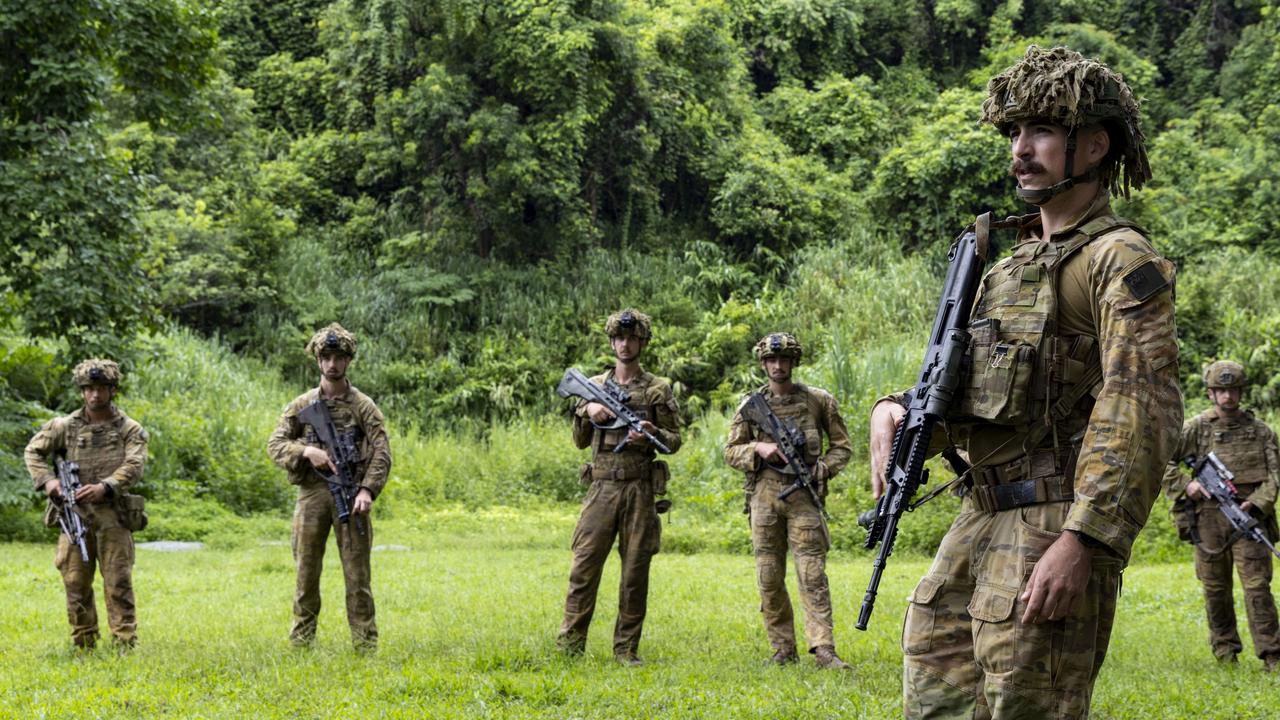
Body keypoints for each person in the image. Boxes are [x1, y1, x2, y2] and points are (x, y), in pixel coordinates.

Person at [867, 45, 1183, 718]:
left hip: (1052, 523)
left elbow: (1141, 407)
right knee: (935, 704)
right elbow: (978, 389)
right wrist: (897, 411)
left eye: (1040, 130)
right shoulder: (1009, 265)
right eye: (1013, 132)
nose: (1020, 148)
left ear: (1094, 145)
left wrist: (1085, 540)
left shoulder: (1117, 260)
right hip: (977, 515)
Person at [556, 309, 682, 666]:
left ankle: (626, 650)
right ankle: (570, 646)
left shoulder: (658, 388)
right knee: (584, 568)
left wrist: (651, 432)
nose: (625, 344)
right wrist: (588, 410)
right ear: (612, 342)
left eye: (632, 338)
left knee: (634, 573)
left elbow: (674, 441)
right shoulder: (594, 385)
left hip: (640, 490)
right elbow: (580, 441)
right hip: (601, 488)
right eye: (619, 338)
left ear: (643, 342)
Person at [724, 333, 853, 669]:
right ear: (763, 363)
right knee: (769, 575)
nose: (777, 366)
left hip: (804, 496)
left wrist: (821, 469)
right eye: (770, 360)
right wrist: (757, 449)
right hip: (764, 497)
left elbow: (842, 447)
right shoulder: (750, 406)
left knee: (812, 574)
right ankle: (782, 648)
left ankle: (823, 648)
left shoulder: (818, 401)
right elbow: (730, 451)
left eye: (784, 360)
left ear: (794, 362)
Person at [267, 323, 391, 652]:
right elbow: (276, 444)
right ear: (317, 360)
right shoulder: (301, 405)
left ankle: (365, 646)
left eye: (339, 357)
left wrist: (367, 490)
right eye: (326, 357)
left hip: (351, 495)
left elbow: (381, 451)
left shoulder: (364, 406)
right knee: (306, 573)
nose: (332, 364)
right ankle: (301, 643)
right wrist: (305, 451)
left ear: (348, 360)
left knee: (357, 576)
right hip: (312, 495)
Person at [1163, 360, 1280, 672]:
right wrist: (1188, 485)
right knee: (1215, 588)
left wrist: (1256, 503)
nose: (1227, 397)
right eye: (1221, 390)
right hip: (1209, 518)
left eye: (1232, 390)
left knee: (1257, 587)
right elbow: (1162, 460)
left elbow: (1274, 477)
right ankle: (1226, 653)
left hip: (1248, 517)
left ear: (1241, 392)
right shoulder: (1197, 428)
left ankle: (1272, 654)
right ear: (1211, 393)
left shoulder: (1261, 432)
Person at [25, 359, 149, 650]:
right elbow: (33, 452)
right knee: (75, 581)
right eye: (89, 389)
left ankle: (124, 642)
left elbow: (135, 464)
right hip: (74, 517)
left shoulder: (129, 428)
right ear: (82, 392)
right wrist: (49, 482)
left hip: (113, 516)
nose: (95, 395)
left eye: (102, 389)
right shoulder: (64, 426)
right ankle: (84, 641)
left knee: (118, 581)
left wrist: (106, 486)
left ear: (113, 390)